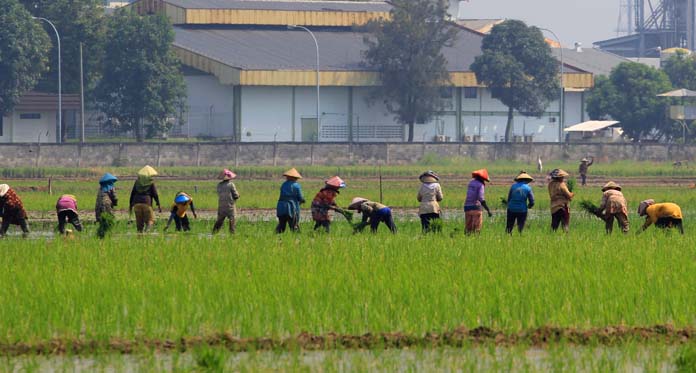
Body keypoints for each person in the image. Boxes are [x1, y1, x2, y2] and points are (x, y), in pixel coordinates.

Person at [129, 165, 161, 233]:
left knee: (139, 224)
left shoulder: (137, 182)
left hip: (136, 204)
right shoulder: (151, 183)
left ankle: (140, 238)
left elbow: (132, 193)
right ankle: (147, 231)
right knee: (150, 220)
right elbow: (155, 194)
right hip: (146, 204)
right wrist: (158, 204)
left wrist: (130, 205)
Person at [276, 168, 305, 233]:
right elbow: (300, 197)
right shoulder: (296, 185)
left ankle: (277, 237)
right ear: (294, 178)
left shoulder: (283, 184)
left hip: (281, 206)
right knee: (293, 225)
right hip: (291, 207)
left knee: (281, 225)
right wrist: (302, 200)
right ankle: (296, 239)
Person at [464, 169, 492, 234]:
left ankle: (467, 241)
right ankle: (476, 241)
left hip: (467, 207)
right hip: (476, 208)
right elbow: (481, 198)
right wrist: (488, 210)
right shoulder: (480, 185)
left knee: (468, 228)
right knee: (477, 228)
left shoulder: (471, 183)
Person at [213, 169, 240, 234]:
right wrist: (238, 196)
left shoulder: (219, 185)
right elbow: (235, 195)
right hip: (230, 206)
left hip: (221, 206)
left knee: (219, 221)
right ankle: (232, 234)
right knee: (232, 220)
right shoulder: (231, 185)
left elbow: (219, 194)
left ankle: (214, 233)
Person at [95, 173, 118, 238]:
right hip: (107, 206)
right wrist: (115, 203)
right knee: (109, 221)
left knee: (102, 222)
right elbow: (115, 197)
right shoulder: (111, 187)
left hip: (99, 208)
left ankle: (100, 236)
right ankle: (109, 236)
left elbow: (97, 202)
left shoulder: (100, 189)